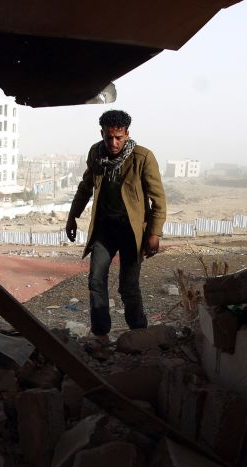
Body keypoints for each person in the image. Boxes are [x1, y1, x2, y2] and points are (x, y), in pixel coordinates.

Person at [65, 110, 166, 343]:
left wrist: (154, 233)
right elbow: (85, 187)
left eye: (119, 138)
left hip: (132, 232)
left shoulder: (142, 158)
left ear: (127, 134)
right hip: (104, 230)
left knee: (128, 286)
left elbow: (158, 199)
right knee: (95, 280)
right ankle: (101, 334)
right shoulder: (96, 153)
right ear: (102, 133)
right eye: (109, 137)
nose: (113, 143)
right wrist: (72, 217)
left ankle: (139, 332)